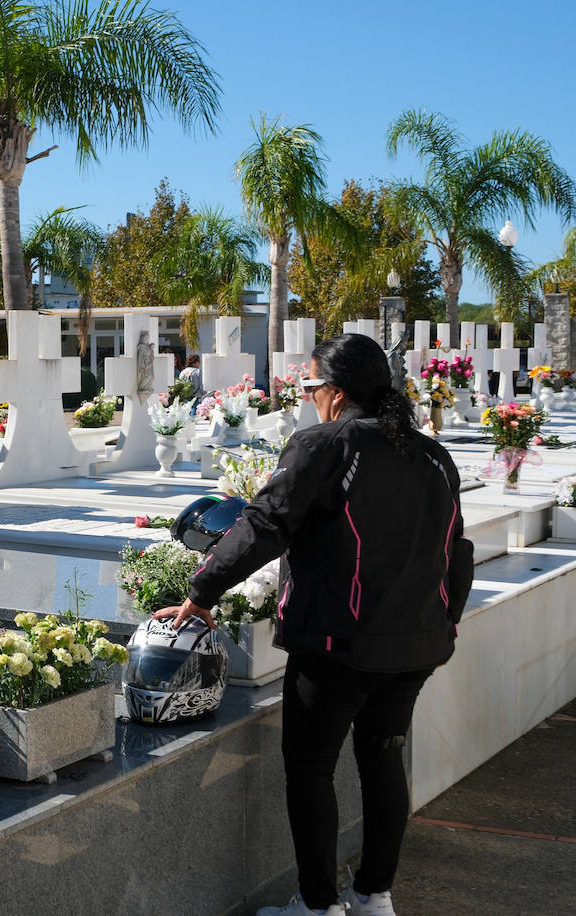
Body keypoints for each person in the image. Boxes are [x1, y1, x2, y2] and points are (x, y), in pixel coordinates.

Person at [157, 334, 472, 916]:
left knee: (310, 772)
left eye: (309, 386)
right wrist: (443, 622)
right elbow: (455, 550)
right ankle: (375, 898)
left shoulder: (325, 444)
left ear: (336, 391)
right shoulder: (433, 454)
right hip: (415, 647)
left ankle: (319, 906)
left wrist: (202, 591)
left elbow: (264, 524)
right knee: (383, 762)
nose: (307, 398)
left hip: (336, 648)